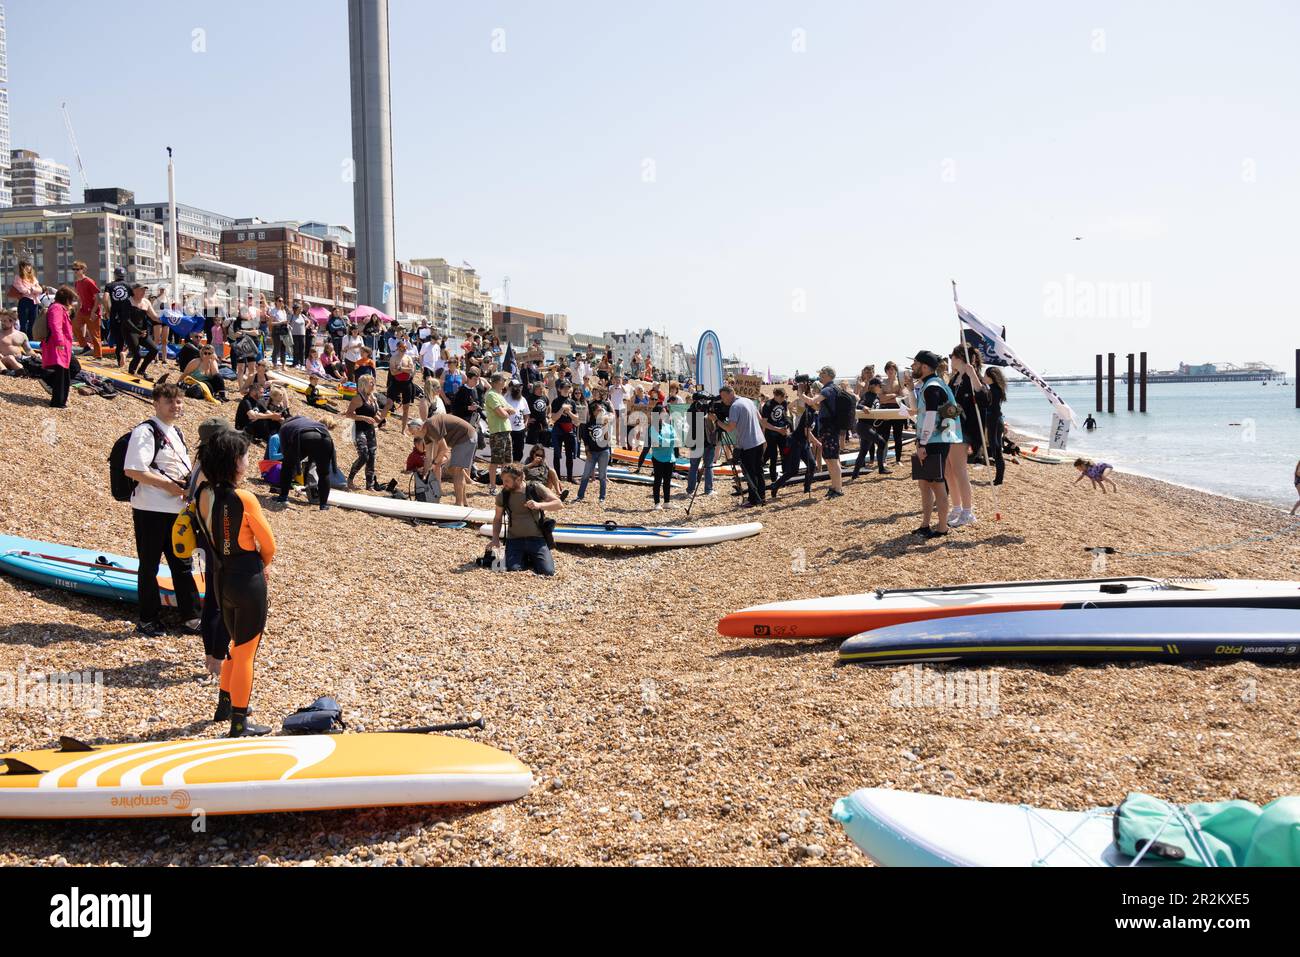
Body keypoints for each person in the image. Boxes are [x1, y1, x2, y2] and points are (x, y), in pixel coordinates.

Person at [193, 427, 276, 737]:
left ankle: (225, 705)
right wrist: (263, 564)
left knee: (232, 646)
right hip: (247, 579)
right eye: (243, 457)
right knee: (245, 652)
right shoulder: (244, 498)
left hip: (220, 578)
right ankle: (239, 724)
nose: (246, 462)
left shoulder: (202, 493)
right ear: (233, 462)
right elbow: (269, 545)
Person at [123, 382, 200, 637]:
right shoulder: (145, 431)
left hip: (176, 509)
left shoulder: (176, 431)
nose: (175, 406)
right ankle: (147, 619)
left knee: (182, 564)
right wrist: (168, 485)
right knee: (149, 565)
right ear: (156, 403)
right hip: (151, 510)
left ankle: (190, 617)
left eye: (178, 402)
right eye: (170, 402)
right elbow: (133, 469)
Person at [911, 350, 961, 539]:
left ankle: (942, 528)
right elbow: (923, 412)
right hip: (930, 440)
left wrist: (922, 443)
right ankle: (925, 524)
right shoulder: (931, 384)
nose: (913, 367)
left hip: (934, 442)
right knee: (924, 483)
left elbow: (931, 416)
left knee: (937, 485)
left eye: (915, 364)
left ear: (924, 366)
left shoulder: (932, 386)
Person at [490, 464, 562, 576]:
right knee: (513, 569)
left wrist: (539, 505)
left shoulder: (535, 488)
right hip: (514, 540)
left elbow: (558, 504)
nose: (503, 484)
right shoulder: (503, 495)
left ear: (518, 479)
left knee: (548, 572)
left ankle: (531, 557)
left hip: (537, 539)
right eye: (503, 480)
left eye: (507, 481)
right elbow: (498, 518)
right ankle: (528, 557)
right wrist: (495, 538)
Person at [946, 345, 987, 527]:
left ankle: (968, 511)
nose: (950, 359)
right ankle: (956, 507)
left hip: (963, 429)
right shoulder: (954, 378)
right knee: (948, 471)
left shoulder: (972, 377)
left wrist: (973, 377)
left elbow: (985, 398)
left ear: (960, 357)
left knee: (959, 470)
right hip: (948, 427)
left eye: (952, 356)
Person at [712, 384, 766, 507]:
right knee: (759, 470)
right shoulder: (748, 400)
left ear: (730, 394)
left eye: (723, 397)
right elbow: (760, 418)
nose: (723, 400)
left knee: (750, 473)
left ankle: (753, 500)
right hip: (758, 440)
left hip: (747, 444)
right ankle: (761, 496)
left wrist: (716, 420)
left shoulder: (735, 407)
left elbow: (730, 428)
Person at [276, 414, 338, 509]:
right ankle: (323, 505)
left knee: (287, 466)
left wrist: (290, 461)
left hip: (303, 437)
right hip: (324, 438)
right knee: (324, 473)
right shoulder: (308, 420)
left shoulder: (284, 427)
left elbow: (285, 450)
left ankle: (283, 497)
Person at [421, 412, 477, 507]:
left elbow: (444, 448)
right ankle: (464, 502)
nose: (413, 436)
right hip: (464, 437)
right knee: (454, 469)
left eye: (413, 433)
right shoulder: (427, 432)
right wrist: (424, 474)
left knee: (457, 470)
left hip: (466, 437)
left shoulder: (431, 426)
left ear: (419, 427)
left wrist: (434, 463)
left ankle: (459, 504)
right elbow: (428, 456)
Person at [805, 367, 845, 498]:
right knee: (829, 458)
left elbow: (812, 402)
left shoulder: (828, 389)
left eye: (822, 374)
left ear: (828, 375)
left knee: (832, 459)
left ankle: (838, 488)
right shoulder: (834, 388)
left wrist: (801, 393)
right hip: (831, 427)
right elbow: (818, 406)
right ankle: (834, 486)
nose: (820, 376)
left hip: (829, 427)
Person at [345, 374, 384, 490]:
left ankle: (369, 485)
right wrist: (364, 418)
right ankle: (350, 478)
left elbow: (375, 415)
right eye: (370, 383)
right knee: (364, 455)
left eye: (373, 382)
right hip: (359, 430)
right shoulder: (358, 398)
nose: (373, 385)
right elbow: (349, 414)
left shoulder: (373, 398)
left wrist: (381, 419)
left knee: (372, 456)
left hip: (370, 431)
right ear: (363, 385)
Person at [40, 286, 76, 408]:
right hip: (59, 345)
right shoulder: (57, 308)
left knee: (71, 369)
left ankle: (49, 381)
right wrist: (60, 343)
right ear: (66, 299)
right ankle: (58, 402)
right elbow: (55, 326)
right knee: (62, 373)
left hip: (62, 344)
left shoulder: (58, 308)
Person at [850, 378, 892, 478]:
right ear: (873, 385)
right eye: (879, 386)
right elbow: (858, 405)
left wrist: (884, 416)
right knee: (881, 442)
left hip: (869, 427)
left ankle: (855, 474)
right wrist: (863, 407)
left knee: (864, 451)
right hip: (863, 427)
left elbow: (876, 411)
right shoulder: (867, 395)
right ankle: (881, 469)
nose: (881, 388)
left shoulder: (876, 397)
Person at [575, 398, 613, 503]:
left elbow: (607, 438)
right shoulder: (588, 424)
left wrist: (606, 426)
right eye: (599, 410)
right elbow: (585, 438)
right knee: (586, 474)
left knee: (602, 475)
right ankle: (580, 496)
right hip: (592, 451)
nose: (601, 412)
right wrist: (587, 451)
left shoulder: (605, 422)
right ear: (594, 412)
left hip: (604, 451)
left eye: (602, 410)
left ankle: (602, 497)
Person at [124, 284, 162, 378]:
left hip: (142, 332)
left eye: (144, 290)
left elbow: (154, 316)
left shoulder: (146, 302)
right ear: (134, 291)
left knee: (154, 349)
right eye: (141, 290)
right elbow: (126, 321)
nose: (144, 292)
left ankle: (142, 371)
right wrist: (138, 331)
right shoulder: (127, 302)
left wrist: (167, 320)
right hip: (130, 331)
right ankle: (131, 373)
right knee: (137, 355)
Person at [685, 392, 718, 497]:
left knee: (703, 466)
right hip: (700, 441)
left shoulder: (694, 409)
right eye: (703, 400)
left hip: (704, 441)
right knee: (700, 466)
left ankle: (695, 490)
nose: (704, 402)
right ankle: (700, 490)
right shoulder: (693, 410)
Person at [101, 267, 133, 368]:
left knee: (119, 340)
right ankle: (125, 353)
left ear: (115, 275)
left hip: (114, 315)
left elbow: (105, 299)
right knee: (130, 337)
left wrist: (107, 311)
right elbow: (134, 300)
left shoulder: (110, 285)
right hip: (127, 315)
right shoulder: (128, 286)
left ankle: (119, 363)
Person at [760, 388, 792, 486]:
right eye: (782, 397)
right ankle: (773, 478)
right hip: (771, 434)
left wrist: (787, 426)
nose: (783, 399)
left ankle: (785, 476)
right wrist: (778, 429)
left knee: (785, 453)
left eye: (784, 397)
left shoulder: (784, 403)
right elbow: (764, 423)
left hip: (782, 433)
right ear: (776, 395)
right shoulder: (768, 405)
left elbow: (784, 416)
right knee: (773, 456)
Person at [71, 261, 102, 357]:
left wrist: (93, 312)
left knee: (95, 335)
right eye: (74, 269)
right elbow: (79, 297)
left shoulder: (89, 281)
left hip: (93, 311)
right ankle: (85, 346)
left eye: (77, 269)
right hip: (83, 311)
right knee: (74, 326)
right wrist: (78, 310)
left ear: (83, 270)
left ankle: (98, 356)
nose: (75, 271)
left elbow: (98, 298)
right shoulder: (77, 283)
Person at [386, 340, 418, 434]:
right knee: (388, 404)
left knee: (406, 408)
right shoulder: (393, 358)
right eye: (402, 347)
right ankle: (379, 423)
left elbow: (411, 370)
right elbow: (392, 372)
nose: (404, 349)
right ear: (398, 348)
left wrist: (400, 369)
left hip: (407, 383)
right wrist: (404, 370)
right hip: (396, 382)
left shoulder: (408, 358)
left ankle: (403, 430)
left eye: (405, 348)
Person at [983, 367, 1008, 486]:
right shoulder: (993, 389)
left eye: (985, 375)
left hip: (995, 421)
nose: (983, 377)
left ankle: (999, 479)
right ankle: (999, 478)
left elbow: (989, 405)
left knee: (996, 449)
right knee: (995, 448)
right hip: (995, 421)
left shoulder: (994, 390)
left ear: (991, 377)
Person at [550, 380, 578, 482]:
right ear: (559, 389)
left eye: (568, 387)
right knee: (557, 453)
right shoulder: (556, 401)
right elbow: (553, 418)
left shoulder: (572, 402)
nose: (566, 389)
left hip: (569, 428)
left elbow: (576, 418)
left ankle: (570, 477)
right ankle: (557, 477)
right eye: (564, 387)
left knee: (569, 454)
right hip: (558, 429)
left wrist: (568, 411)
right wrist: (562, 410)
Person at [7, 261, 42, 338]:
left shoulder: (33, 278)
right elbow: (22, 290)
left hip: (34, 302)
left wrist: (32, 289)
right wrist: (33, 289)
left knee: (33, 322)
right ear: (22, 267)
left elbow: (40, 290)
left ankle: (31, 340)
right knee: (24, 323)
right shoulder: (18, 277)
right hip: (24, 301)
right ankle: (24, 339)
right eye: (27, 265)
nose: (29, 267)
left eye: (30, 265)